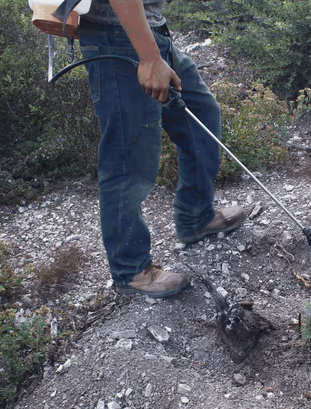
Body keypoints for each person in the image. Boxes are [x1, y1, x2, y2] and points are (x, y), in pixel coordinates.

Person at [78, 0, 246, 298]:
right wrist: (149, 58)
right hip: (116, 36)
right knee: (129, 156)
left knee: (201, 115)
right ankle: (131, 271)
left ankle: (197, 218)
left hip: (152, 32)